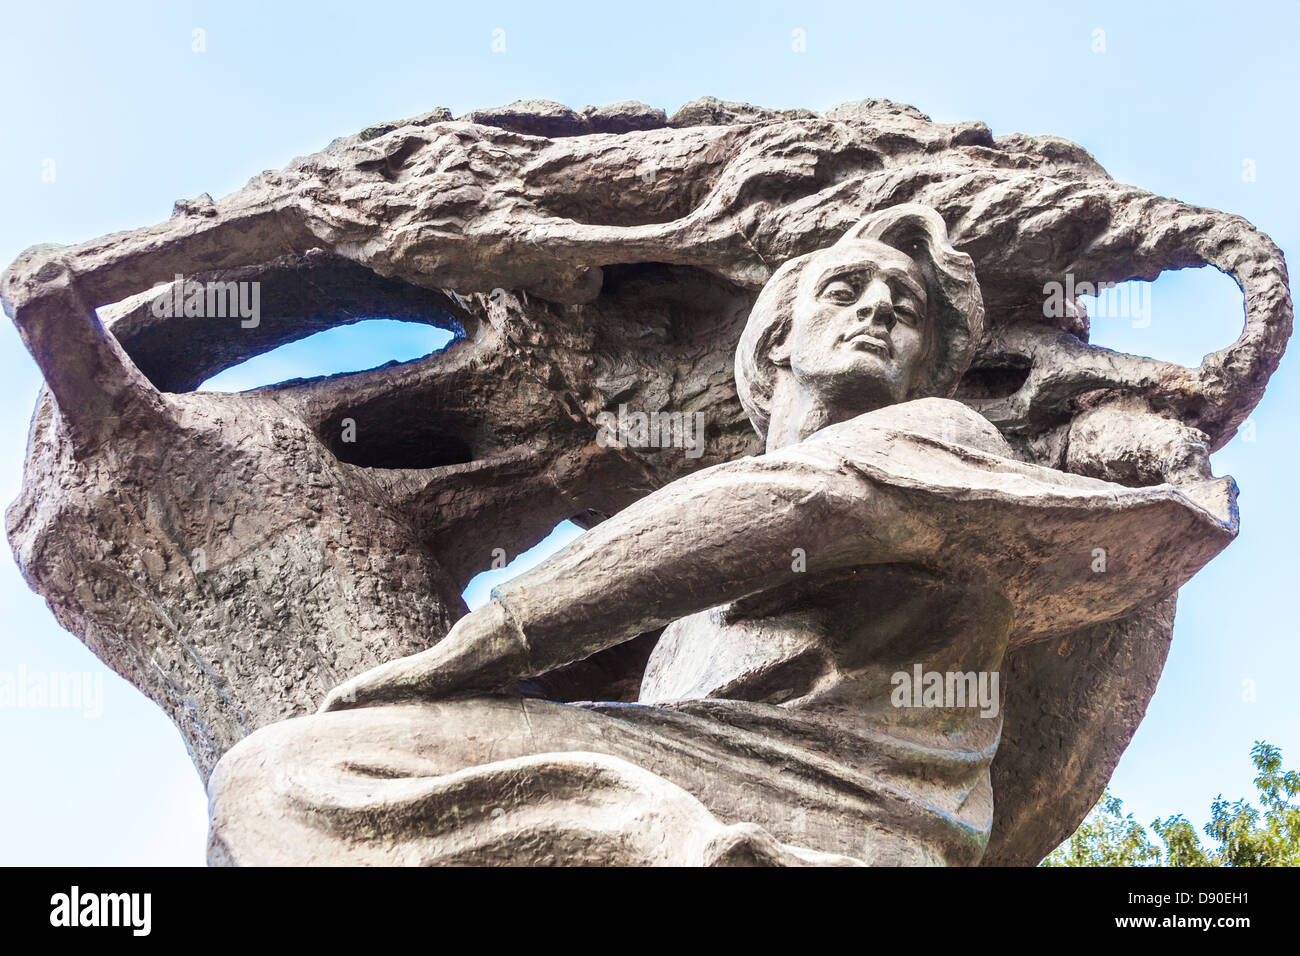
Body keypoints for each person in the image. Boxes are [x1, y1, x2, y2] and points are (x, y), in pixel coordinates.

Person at [207, 204, 1235, 866]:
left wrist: (462, 652)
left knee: (289, 767)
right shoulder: (681, 643)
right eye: (848, 289)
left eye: (905, 307)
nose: (879, 308)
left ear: (925, 367)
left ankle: (700, 852)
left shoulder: (935, 435)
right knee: (276, 791)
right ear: (776, 337)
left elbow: (765, 511)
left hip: (836, 813)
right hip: (708, 773)